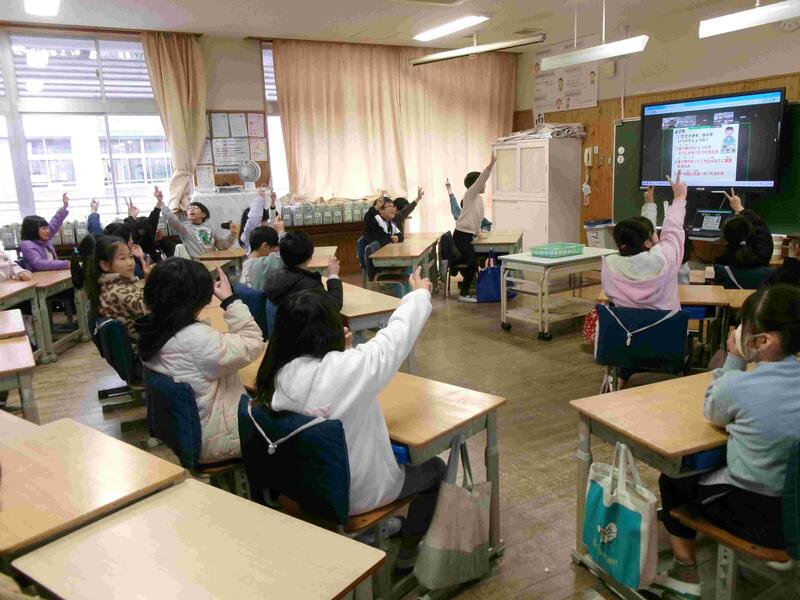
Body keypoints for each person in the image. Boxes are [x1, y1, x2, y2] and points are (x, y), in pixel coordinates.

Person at [254, 267, 444, 565]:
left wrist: (335, 353)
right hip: (353, 495)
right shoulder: (347, 371)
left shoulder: (276, 374)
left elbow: (322, 377)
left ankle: (369, 536)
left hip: (302, 487)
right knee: (435, 469)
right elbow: (394, 340)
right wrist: (419, 294)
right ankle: (407, 555)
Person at [655, 284, 800, 600]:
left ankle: (684, 571)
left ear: (763, 341)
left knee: (672, 478)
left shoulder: (739, 386)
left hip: (759, 518)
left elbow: (713, 411)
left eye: (744, 328)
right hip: (793, 513)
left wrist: (734, 358)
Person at [135, 259, 265, 463]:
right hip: (219, 437)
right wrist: (230, 300)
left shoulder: (152, 328)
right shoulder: (196, 339)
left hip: (189, 429)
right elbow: (253, 342)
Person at [602, 171, 687, 312]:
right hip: (667, 325)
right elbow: (672, 228)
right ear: (648, 243)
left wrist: (649, 205)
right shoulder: (666, 258)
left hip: (627, 326)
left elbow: (645, 235)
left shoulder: (610, 266)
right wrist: (679, 198)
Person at [71, 234, 151, 341]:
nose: (130, 263)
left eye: (131, 256)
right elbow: (152, 309)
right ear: (105, 265)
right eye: (122, 258)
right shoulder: (116, 292)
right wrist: (152, 282)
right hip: (145, 344)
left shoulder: (112, 284)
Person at [452, 154, 497, 303]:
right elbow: (482, 179)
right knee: (472, 263)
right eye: (482, 183)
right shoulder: (470, 194)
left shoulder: (478, 199)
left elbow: (477, 219)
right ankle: (463, 294)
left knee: (473, 260)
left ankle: (455, 265)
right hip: (461, 235)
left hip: (469, 235)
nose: (484, 185)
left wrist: (478, 233)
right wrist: (491, 165)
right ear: (475, 184)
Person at [263, 231, 343, 309]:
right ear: (310, 256)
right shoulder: (310, 287)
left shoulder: (272, 279)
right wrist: (333, 275)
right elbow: (333, 306)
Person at [158, 187, 239, 258]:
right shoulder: (185, 230)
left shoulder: (210, 229)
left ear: (203, 214)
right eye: (189, 209)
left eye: (195, 208)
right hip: (198, 264)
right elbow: (172, 220)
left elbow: (222, 246)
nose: (191, 209)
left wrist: (232, 234)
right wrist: (161, 203)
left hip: (213, 261)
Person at [638, 186, 691, 284]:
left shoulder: (655, 260)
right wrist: (680, 198)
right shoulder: (681, 266)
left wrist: (649, 203)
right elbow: (672, 229)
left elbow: (648, 230)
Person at [715, 189, 773, 268]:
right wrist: (740, 208)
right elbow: (762, 232)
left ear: (725, 240)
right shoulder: (762, 256)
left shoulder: (721, 268)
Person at [19, 193, 70, 271]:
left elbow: (55, 221)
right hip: (39, 276)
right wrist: (65, 264)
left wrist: (64, 207)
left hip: (53, 273)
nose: (48, 231)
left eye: (47, 228)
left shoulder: (44, 237)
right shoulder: (27, 244)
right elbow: (38, 264)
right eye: (44, 228)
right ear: (33, 230)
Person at [240, 186, 280, 253]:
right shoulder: (249, 235)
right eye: (263, 221)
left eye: (266, 221)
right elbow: (254, 218)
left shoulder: (265, 231)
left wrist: (273, 201)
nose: (266, 223)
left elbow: (272, 220)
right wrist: (260, 198)